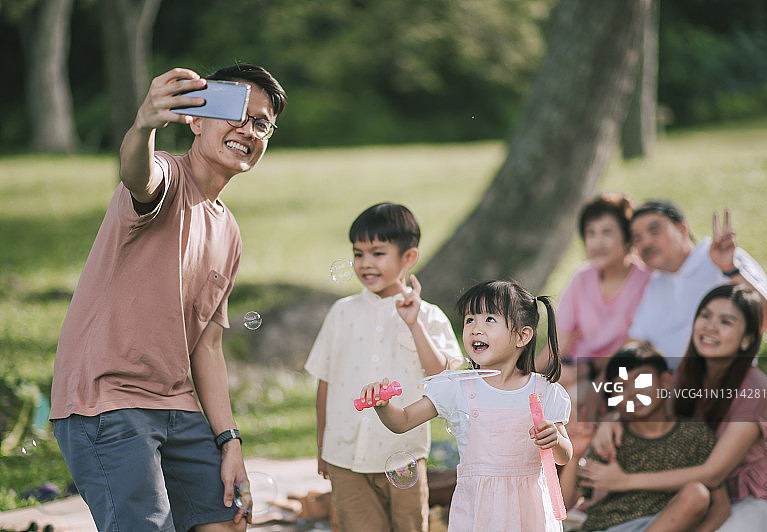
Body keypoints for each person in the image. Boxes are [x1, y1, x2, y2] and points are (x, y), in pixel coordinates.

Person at [50, 63, 287, 532]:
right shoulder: (166, 176)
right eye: (235, 113)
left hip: (175, 404)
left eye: (261, 123)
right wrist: (144, 125)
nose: (247, 130)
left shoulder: (229, 231)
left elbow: (208, 347)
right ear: (195, 119)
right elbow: (137, 174)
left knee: (228, 520)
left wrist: (230, 441)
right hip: (108, 399)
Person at [583, 284, 767, 531]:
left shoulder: (756, 387)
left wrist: (624, 481)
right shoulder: (684, 375)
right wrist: (612, 419)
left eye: (726, 321)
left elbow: (713, 474)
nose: (710, 327)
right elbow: (644, 405)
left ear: (747, 339)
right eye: (705, 316)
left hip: (763, 495)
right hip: (708, 497)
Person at [360, 280, 573, 531]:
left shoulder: (544, 392)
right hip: (477, 514)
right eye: (470, 320)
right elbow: (403, 421)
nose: (475, 329)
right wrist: (383, 405)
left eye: (489, 319)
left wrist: (555, 440)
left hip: (530, 515)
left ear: (522, 336)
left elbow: (564, 456)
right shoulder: (457, 387)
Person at [304, 202, 463, 532]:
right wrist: (322, 446)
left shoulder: (428, 316)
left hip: (403, 456)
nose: (365, 263)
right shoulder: (341, 313)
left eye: (378, 253)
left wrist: (414, 324)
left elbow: (443, 376)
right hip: (345, 459)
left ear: (408, 257)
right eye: (358, 253)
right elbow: (325, 383)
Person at [561, 342, 729, 532]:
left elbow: (721, 505)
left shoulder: (694, 434)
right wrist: (574, 456)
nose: (632, 393)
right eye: (621, 386)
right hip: (608, 526)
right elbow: (564, 505)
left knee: (697, 494)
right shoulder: (611, 438)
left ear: (665, 381)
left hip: (666, 524)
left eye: (641, 381)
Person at [627, 200, 767, 369]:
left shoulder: (724, 259)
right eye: (637, 238)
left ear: (682, 228)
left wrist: (730, 270)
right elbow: (636, 341)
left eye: (654, 231)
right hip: (668, 382)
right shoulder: (656, 282)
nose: (645, 243)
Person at [539, 193, 651, 421]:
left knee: (572, 399)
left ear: (627, 238)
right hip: (574, 366)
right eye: (591, 233)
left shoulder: (646, 281)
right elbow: (559, 341)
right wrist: (526, 376)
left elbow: (635, 347)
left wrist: (583, 371)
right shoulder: (582, 278)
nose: (597, 242)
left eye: (607, 232)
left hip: (621, 372)